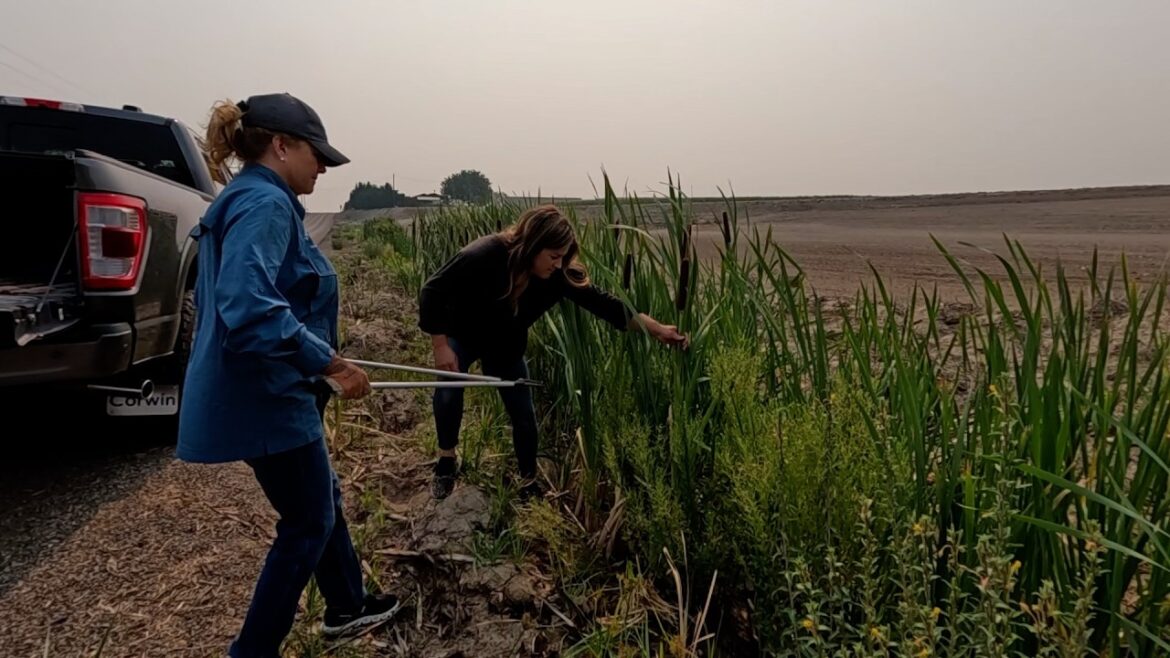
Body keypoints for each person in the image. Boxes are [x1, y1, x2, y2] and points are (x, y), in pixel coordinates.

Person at [176, 93, 399, 658]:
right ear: (281, 145)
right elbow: (247, 306)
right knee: (305, 524)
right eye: (316, 153)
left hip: (273, 387)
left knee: (319, 497)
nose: (322, 166)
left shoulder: (249, 198)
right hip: (268, 394)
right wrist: (329, 361)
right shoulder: (265, 206)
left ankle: (347, 604)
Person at [417, 204, 688, 500]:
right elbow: (433, 290)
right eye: (553, 256)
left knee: (524, 413)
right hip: (463, 333)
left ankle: (527, 482)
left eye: (563, 258)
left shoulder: (557, 277)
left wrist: (658, 329)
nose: (558, 265)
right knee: (447, 389)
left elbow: (607, 306)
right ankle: (446, 461)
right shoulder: (485, 254)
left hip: (506, 345)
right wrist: (440, 346)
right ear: (533, 245)